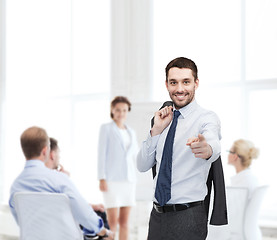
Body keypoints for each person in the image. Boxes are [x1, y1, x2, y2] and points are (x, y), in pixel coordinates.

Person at [137, 57, 222, 240]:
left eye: (186, 82)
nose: (180, 89)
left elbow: (213, 143)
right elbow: (142, 164)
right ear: (166, 84)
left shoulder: (206, 118)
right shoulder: (161, 120)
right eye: (173, 82)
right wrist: (156, 131)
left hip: (188, 216)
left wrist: (206, 149)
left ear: (196, 83)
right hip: (157, 216)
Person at [9, 126, 114, 240]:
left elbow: (22, 223)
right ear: (45, 151)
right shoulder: (59, 179)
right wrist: (103, 231)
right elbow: (85, 215)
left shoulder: (15, 187)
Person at [97, 96, 138, 240]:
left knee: (125, 222)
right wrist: (101, 178)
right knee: (112, 222)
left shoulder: (131, 132)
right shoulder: (106, 129)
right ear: (112, 111)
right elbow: (101, 154)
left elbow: (135, 155)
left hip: (129, 181)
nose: (121, 113)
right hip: (112, 181)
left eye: (124, 110)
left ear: (128, 111)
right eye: (118, 110)